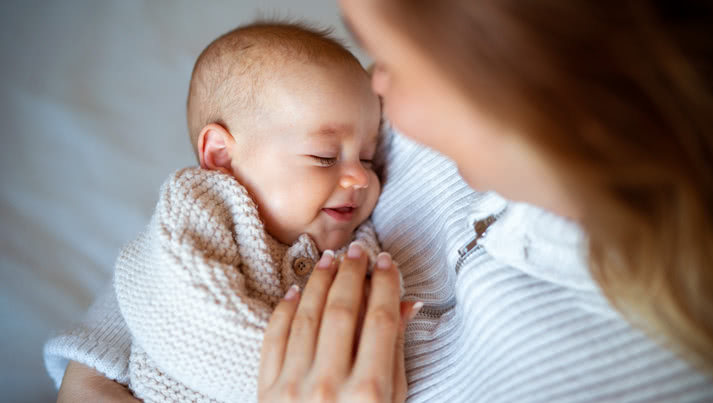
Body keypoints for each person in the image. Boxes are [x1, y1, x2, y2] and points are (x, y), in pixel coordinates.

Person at [47, 0, 713, 402]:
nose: (377, 87)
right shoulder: (384, 135)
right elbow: (176, 254)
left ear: (514, 82)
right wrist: (91, 367)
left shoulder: (635, 370)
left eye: (389, 54)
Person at [46, 21, 411, 403]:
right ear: (221, 157)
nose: (358, 178)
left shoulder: (360, 243)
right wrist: (341, 363)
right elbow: (190, 320)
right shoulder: (200, 214)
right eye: (324, 157)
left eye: (368, 159)